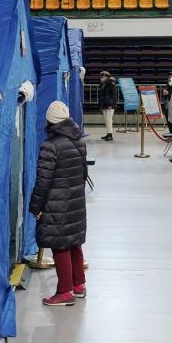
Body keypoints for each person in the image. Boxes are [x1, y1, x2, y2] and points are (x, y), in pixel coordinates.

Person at [29, 101, 88, 307]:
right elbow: (83, 174)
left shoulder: (50, 146)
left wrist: (36, 207)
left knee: (60, 246)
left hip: (56, 204)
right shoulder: (79, 140)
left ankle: (65, 292)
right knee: (74, 243)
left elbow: (43, 182)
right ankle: (78, 285)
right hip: (76, 202)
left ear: (50, 121)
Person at [98, 71, 118, 141]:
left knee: (108, 119)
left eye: (102, 77)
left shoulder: (111, 84)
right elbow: (102, 96)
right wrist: (101, 105)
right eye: (101, 77)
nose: (101, 78)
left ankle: (110, 135)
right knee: (106, 120)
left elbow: (113, 95)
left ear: (106, 77)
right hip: (104, 104)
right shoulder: (103, 84)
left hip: (110, 105)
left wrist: (110, 104)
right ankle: (108, 133)